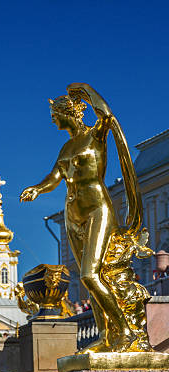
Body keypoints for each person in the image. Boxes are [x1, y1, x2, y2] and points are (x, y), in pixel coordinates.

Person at [20, 83, 152, 353]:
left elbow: (106, 115)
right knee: (87, 280)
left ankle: (125, 332)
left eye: (55, 114)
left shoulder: (95, 136)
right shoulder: (66, 148)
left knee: (91, 274)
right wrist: (37, 188)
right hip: (73, 213)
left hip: (96, 208)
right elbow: (55, 177)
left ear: (67, 112)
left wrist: (86, 91)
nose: (53, 119)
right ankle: (107, 338)